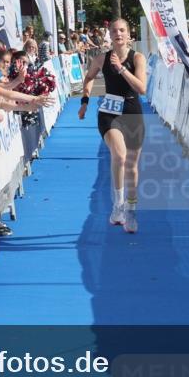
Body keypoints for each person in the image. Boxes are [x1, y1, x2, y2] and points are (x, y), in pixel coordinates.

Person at [79, 18, 147, 234]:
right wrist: (85, 101)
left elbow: (142, 88)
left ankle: (131, 209)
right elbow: (89, 77)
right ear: (109, 34)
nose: (118, 34)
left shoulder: (137, 57)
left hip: (132, 112)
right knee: (119, 156)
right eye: (114, 31)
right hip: (109, 113)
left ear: (128, 34)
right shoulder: (101, 58)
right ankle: (118, 205)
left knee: (132, 167)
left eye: (122, 30)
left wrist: (122, 70)